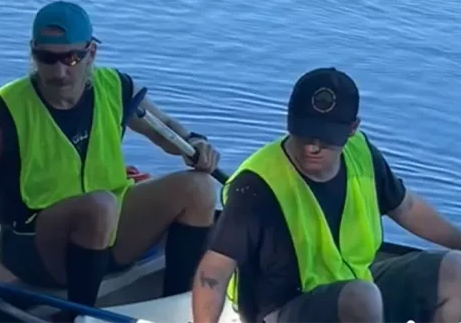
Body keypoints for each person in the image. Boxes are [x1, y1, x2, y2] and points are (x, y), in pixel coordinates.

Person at [0, 1, 220, 321]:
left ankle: (174, 305)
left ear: (91, 53)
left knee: (200, 187)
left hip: (109, 225)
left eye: (71, 58)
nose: (59, 71)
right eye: (47, 59)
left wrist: (196, 144)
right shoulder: (2, 110)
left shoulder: (116, 89)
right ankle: (83, 316)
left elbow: (169, 132)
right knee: (99, 206)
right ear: (33, 53)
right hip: (36, 243)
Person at [192, 67, 461, 323]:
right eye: (306, 134)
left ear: (352, 128)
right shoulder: (255, 185)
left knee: (456, 270)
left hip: (355, 285)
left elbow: (406, 206)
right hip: (283, 309)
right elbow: (214, 269)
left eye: (326, 137)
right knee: (362, 297)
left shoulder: (362, 154)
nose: (313, 147)